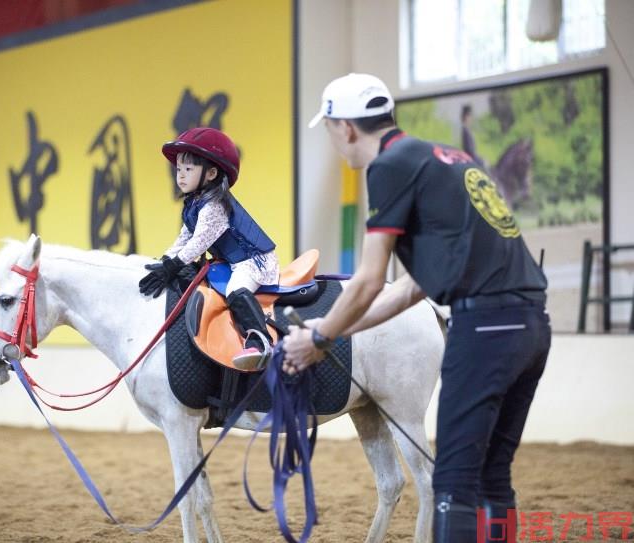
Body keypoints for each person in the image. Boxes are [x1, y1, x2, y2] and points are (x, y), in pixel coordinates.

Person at [283, 73, 550, 543]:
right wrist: (330, 330)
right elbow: (408, 289)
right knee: (492, 475)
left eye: (329, 130)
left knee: (453, 481)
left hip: (485, 325)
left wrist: (318, 338)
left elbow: (367, 279)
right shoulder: (447, 158)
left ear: (345, 127)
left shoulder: (388, 166)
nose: (334, 142)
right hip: (530, 326)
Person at [139, 127, 279, 369]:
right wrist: (164, 261)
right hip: (233, 261)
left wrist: (172, 266)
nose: (180, 176)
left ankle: (260, 340)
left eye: (188, 169)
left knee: (236, 289)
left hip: (254, 260)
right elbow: (184, 238)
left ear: (212, 173)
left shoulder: (214, 205)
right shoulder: (195, 203)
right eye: (178, 170)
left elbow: (199, 242)